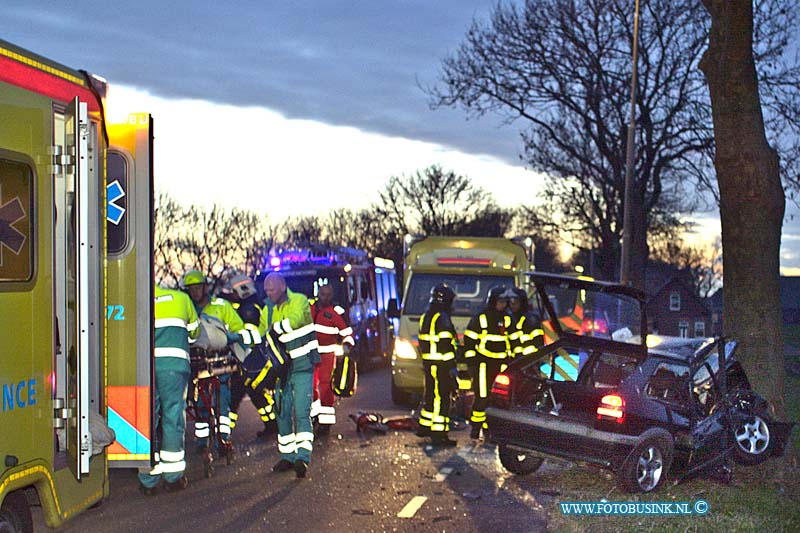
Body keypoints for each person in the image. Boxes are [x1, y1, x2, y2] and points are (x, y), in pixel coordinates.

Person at [138, 284, 199, 496]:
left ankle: (148, 479)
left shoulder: (138, 298)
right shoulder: (182, 298)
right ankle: (173, 477)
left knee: (146, 420)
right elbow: (194, 334)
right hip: (174, 366)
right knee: (173, 417)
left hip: (144, 368)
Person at [258, 273, 320, 478]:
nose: (268, 292)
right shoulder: (267, 310)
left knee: (302, 412)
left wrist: (273, 329)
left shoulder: (300, 301)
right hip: (281, 370)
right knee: (282, 413)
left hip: (303, 365)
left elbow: (294, 321)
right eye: (266, 289)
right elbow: (260, 336)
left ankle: (303, 458)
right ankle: (287, 456)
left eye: (272, 288)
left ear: (283, 286)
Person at [182, 269, 247, 451]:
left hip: (220, 361)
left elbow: (239, 328)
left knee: (222, 402)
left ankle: (223, 440)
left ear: (205, 287)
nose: (195, 292)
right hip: (197, 362)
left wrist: (232, 338)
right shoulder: (187, 308)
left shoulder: (221, 306)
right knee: (200, 403)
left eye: (198, 288)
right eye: (191, 289)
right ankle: (202, 442)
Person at [225, 273, 277, 438]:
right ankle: (271, 423)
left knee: (235, 396)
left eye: (234, 292)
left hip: (249, 359)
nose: (232, 296)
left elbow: (245, 336)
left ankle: (224, 432)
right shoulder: (257, 305)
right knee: (254, 392)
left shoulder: (247, 310)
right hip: (255, 358)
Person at [463, 285, 512, 440]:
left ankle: (489, 429)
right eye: (500, 301)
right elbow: (469, 342)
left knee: (496, 399)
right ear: (493, 301)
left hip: (502, 366)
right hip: (483, 365)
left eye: (505, 301)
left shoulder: (507, 319)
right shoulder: (481, 318)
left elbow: (514, 341)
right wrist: (471, 364)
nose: (503, 304)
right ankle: (476, 428)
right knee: (482, 397)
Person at [417, 284, 459, 446]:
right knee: (442, 399)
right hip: (441, 365)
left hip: (429, 363)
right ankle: (439, 434)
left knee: (430, 396)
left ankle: (425, 427)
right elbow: (446, 345)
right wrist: (452, 367)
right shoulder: (442, 318)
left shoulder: (426, 316)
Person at [310, 284, 355, 434]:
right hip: (310, 354)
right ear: (318, 294)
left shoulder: (337, 312)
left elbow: (348, 333)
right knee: (310, 387)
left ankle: (325, 423)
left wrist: (347, 345)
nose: (326, 297)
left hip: (328, 356)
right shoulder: (310, 309)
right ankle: (314, 416)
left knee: (326, 388)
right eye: (323, 294)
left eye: (329, 294)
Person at [507, 287, 544, 358]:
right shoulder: (509, 318)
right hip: (514, 360)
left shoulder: (531, 319)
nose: (513, 304)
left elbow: (538, 343)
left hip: (529, 360)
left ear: (522, 302)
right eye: (510, 302)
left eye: (516, 301)